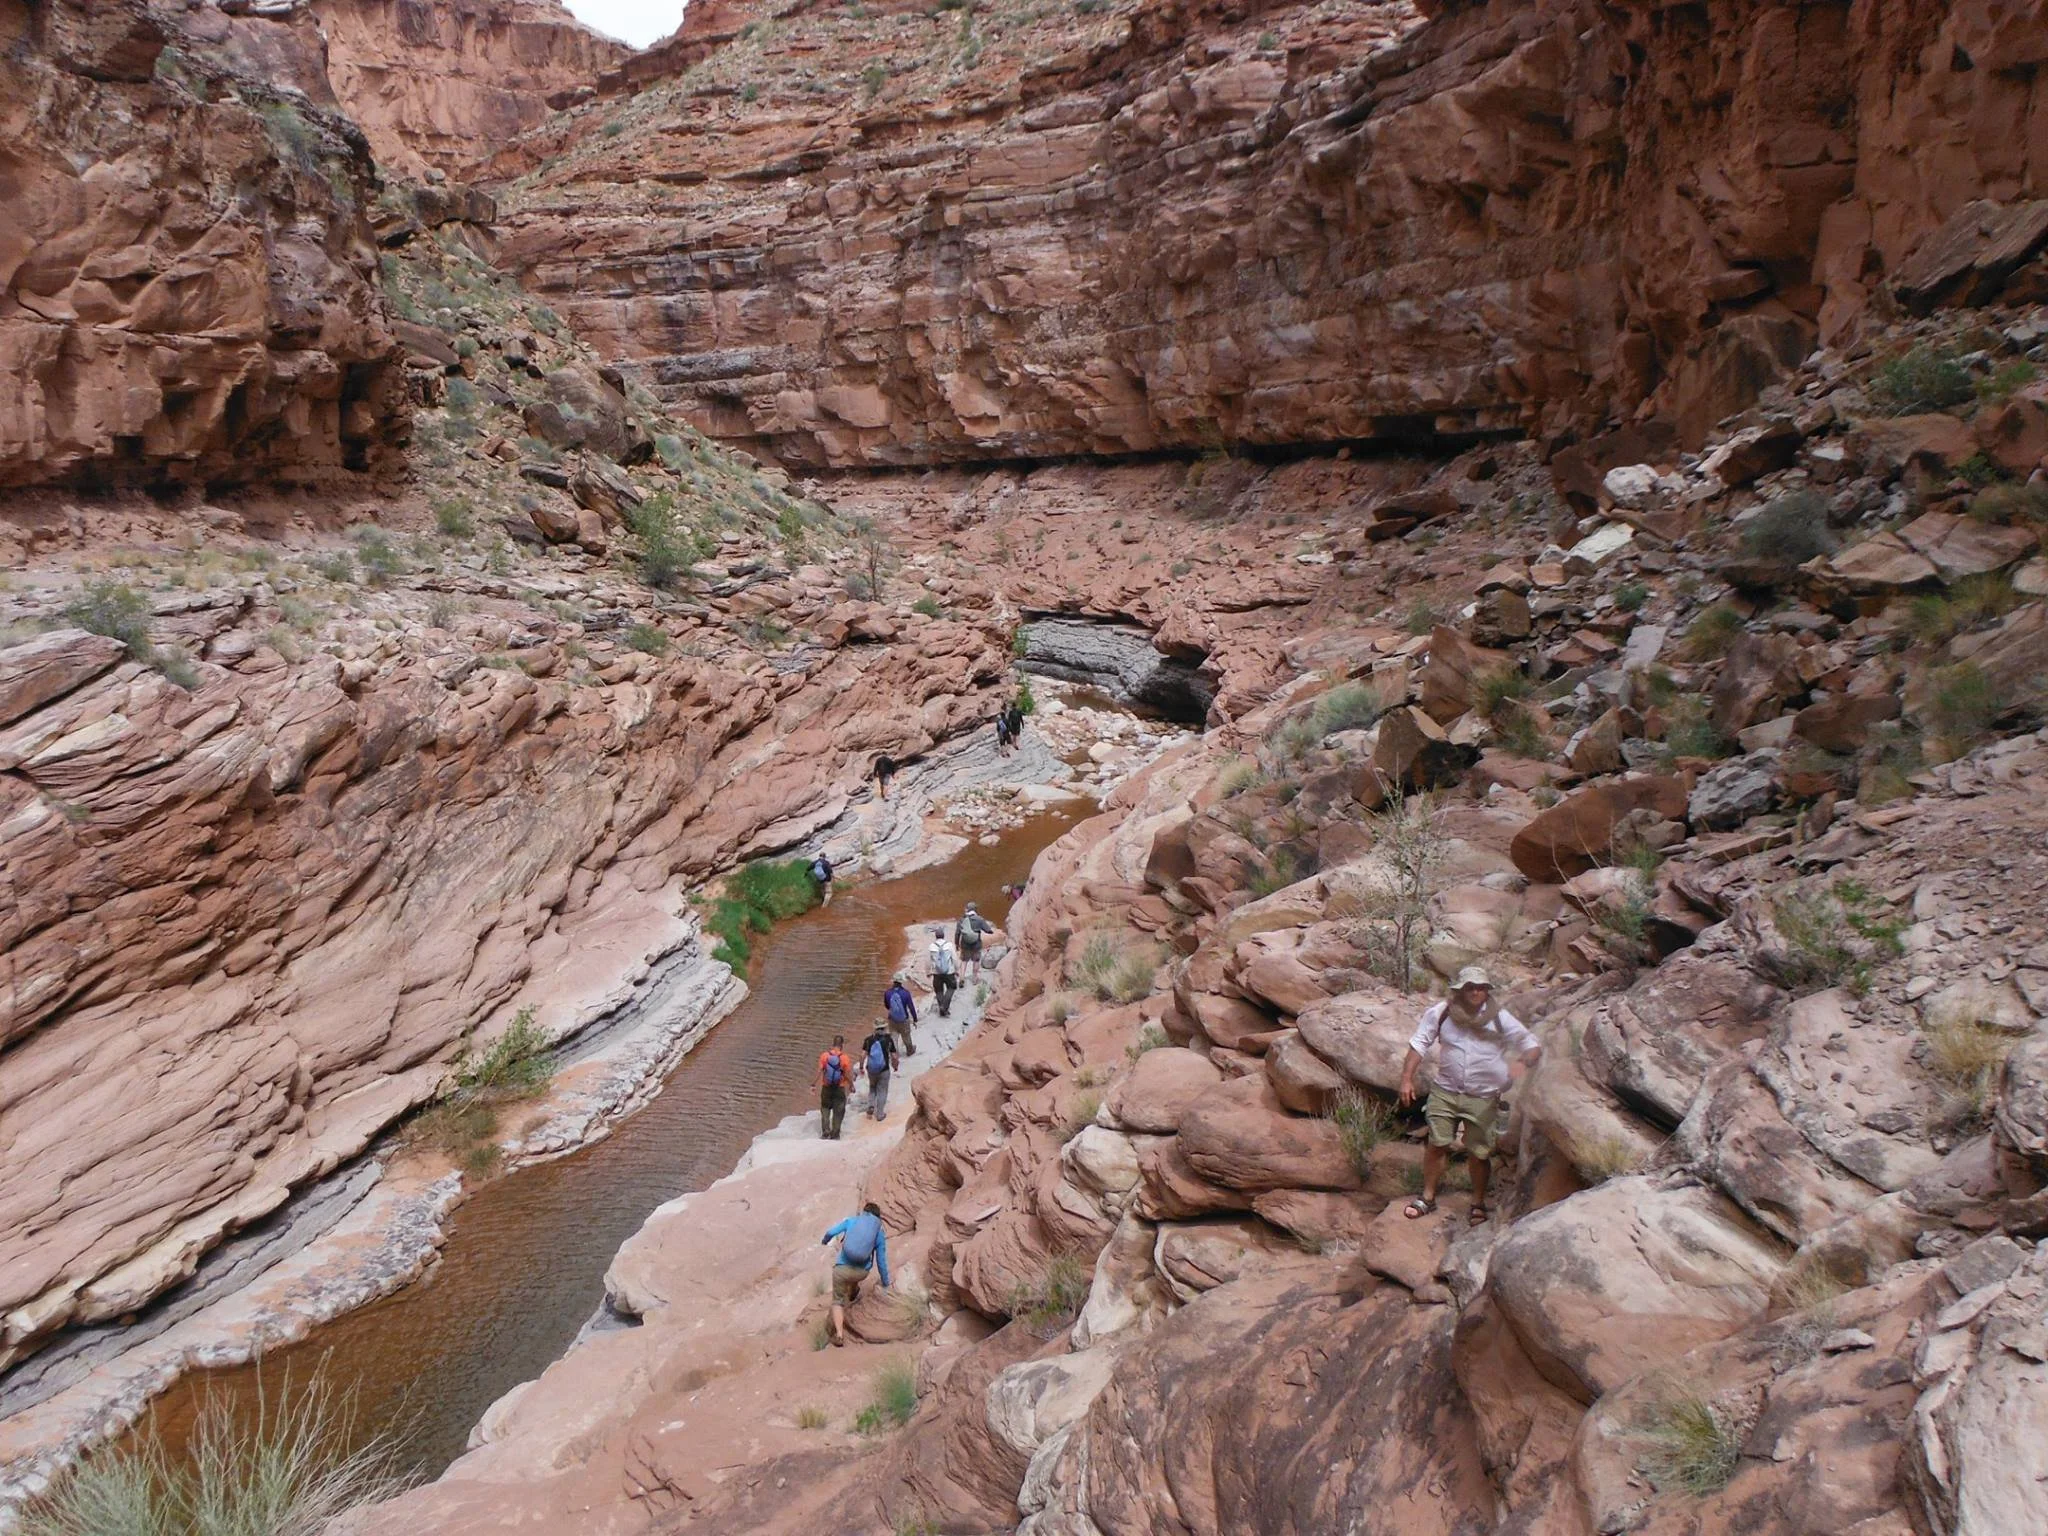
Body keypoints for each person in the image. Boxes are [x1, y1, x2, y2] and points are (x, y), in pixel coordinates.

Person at [1399, 966, 1540, 1226]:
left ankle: (1477, 1202)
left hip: (1484, 1097)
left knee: (1479, 1153)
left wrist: (1520, 1064)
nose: (1476, 992)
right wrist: (1406, 1079)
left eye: (1481, 987)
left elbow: (1531, 1045)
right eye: (1470, 987)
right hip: (1445, 1091)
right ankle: (1427, 1197)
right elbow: (1419, 1043)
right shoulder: (1441, 1014)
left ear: (1487, 990)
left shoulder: (1500, 1018)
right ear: (1460, 990)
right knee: (1436, 1145)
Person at [820, 1201, 891, 1345]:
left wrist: (824, 1241)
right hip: (861, 1272)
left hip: (841, 1270)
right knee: (853, 1277)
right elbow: (881, 1261)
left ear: (864, 1212)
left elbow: (831, 1232)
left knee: (837, 1301)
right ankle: (853, 1290)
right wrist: (885, 1282)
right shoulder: (878, 1233)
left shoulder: (852, 1221)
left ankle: (839, 1335)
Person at [816, 1034, 853, 1140]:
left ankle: (825, 1131)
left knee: (825, 1108)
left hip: (826, 1087)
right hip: (839, 1087)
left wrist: (813, 1084)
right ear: (842, 1045)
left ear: (833, 1044)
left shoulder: (824, 1056)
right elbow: (847, 1073)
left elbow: (820, 1071)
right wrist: (851, 1085)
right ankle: (835, 1133)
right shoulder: (844, 1058)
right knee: (839, 1110)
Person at [861, 1020, 899, 1120]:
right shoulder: (888, 1039)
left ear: (875, 1028)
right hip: (884, 1069)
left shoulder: (868, 1040)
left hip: (871, 1070)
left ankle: (871, 1105)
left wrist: (861, 1066)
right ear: (884, 1028)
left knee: (872, 1087)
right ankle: (880, 1114)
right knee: (882, 1090)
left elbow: (862, 1055)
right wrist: (895, 1066)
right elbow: (894, 1056)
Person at [955, 902, 996, 981]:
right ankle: (974, 978)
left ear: (967, 909)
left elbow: (957, 933)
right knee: (976, 960)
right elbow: (987, 930)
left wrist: (957, 944)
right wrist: (992, 932)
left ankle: (962, 978)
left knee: (964, 960)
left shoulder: (961, 920)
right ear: (975, 910)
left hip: (965, 943)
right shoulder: (979, 919)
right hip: (976, 943)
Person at [883, 973, 918, 1057]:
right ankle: (910, 1050)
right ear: (901, 982)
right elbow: (911, 1007)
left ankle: (895, 1054)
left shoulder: (887, 993)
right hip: (904, 1019)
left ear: (893, 982)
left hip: (892, 1019)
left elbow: (887, 1006)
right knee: (906, 1036)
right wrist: (915, 1018)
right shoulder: (906, 993)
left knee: (894, 1037)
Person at [928, 925, 959, 1017]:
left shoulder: (931, 946)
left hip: (936, 973)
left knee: (939, 991)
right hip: (949, 972)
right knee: (951, 988)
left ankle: (942, 1009)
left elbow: (928, 960)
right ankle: (944, 1007)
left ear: (936, 936)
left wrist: (928, 971)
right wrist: (957, 970)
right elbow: (954, 958)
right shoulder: (949, 945)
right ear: (943, 935)